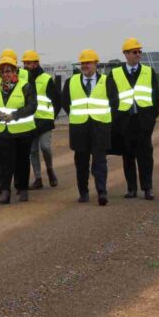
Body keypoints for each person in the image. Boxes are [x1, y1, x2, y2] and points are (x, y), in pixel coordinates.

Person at [61, 49, 119, 206]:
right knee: (81, 163)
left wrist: (106, 121)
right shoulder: (71, 82)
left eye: (88, 63)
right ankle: (83, 192)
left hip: (100, 128)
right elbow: (65, 102)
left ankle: (102, 192)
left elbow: (115, 103)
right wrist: (77, 116)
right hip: (79, 128)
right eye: (83, 63)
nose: (85, 66)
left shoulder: (107, 81)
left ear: (96, 64)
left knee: (100, 161)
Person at [109, 38, 159, 200]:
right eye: (134, 52)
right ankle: (131, 188)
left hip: (143, 121)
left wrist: (151, 118)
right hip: (124, 121)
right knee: (128, 155)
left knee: (145, 155)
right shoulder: (115, 73)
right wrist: (116, 119)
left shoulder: (148, 71)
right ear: (126, 54)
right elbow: (111, 98)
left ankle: (148, 188)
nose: (138, 54)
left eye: (139, 51)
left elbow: (155, 97)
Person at [0, 55, 38, 204]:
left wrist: (15, 115)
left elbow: (32, 106)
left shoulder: (25, 86)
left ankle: (23, 189)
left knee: (22, 160)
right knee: (5, 161)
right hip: (2, 131)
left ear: (15, 71)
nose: (6, 74)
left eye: (9, 71)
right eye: (2, 72)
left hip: (23, 131)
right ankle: (5, 191)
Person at [22, 50, 62, 190]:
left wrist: (52, 116)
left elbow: (57, 100)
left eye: (28, 63)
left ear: (36, 63)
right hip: (29, 121)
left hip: (44, 121)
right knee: (32, 151)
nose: (26, 66)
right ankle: (38, 178)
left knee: (45, 147)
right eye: (24, 63)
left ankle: (50, 170)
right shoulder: (23, 80)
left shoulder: (46, 79)